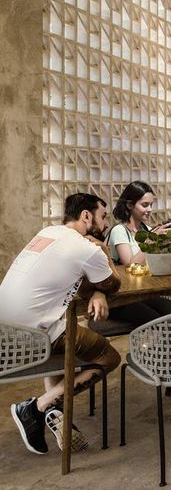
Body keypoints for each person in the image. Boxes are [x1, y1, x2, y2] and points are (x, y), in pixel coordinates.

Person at [0, 193, 122, 455]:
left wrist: (97, 291)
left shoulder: (47, 233)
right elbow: (113, 283)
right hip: (33, 338)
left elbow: (81, 279)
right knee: (109, 357)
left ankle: (55, 408)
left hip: (5, 334)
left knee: (59, 329)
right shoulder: (87, 249)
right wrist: (104, 252)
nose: (105, 225)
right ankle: (36, 408)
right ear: (86, 216)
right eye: (103, 217)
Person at [106, 181, 171, 398]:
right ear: (130, 205)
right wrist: (151, 238)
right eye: (144, 205)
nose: (149, 210)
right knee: (160, 321)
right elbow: (130, 264)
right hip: (120, 298)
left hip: (140, 293)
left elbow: (152, 258)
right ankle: (165, 373)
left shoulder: (144, 229)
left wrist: (164, 239)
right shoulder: (119, 231)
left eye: (151, 205)